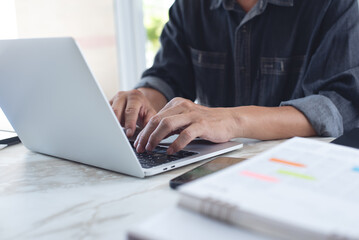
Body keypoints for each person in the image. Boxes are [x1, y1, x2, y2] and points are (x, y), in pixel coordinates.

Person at [110, 0, 359, 155]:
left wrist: (233, 119)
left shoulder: (334, 4)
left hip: (302, 172)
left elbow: (339, 105)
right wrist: (142, 98)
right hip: (215, 167)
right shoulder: (189, 6)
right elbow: (167, 76)